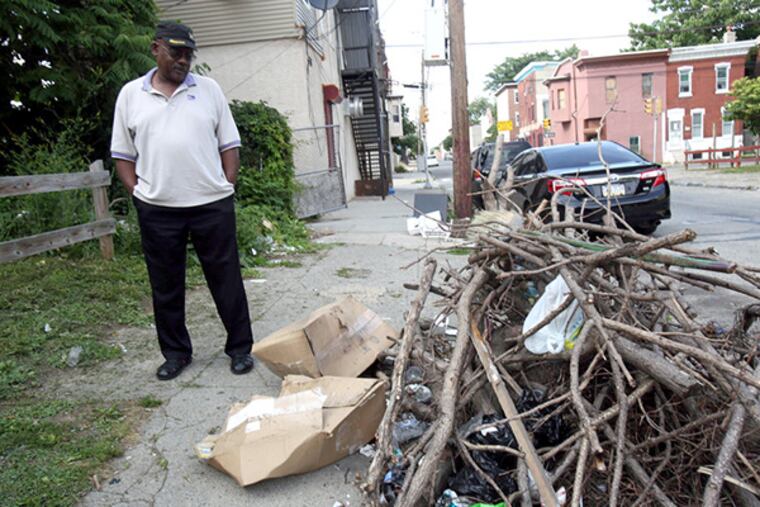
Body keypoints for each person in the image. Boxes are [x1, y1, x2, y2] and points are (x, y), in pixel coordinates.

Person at [110, 21, 254, 380]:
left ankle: (239, 349)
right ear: (155, 48)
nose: (184, 60)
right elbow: (122, 154)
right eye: (176, 52)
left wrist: (226, 183)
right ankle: (175, 354)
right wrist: (138, 194)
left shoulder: (209, 90)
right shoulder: (131, 95)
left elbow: (229, 144)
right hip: (158, 210)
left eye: (189, 54)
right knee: (166, 284)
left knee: (226, 279)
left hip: (211, 205)